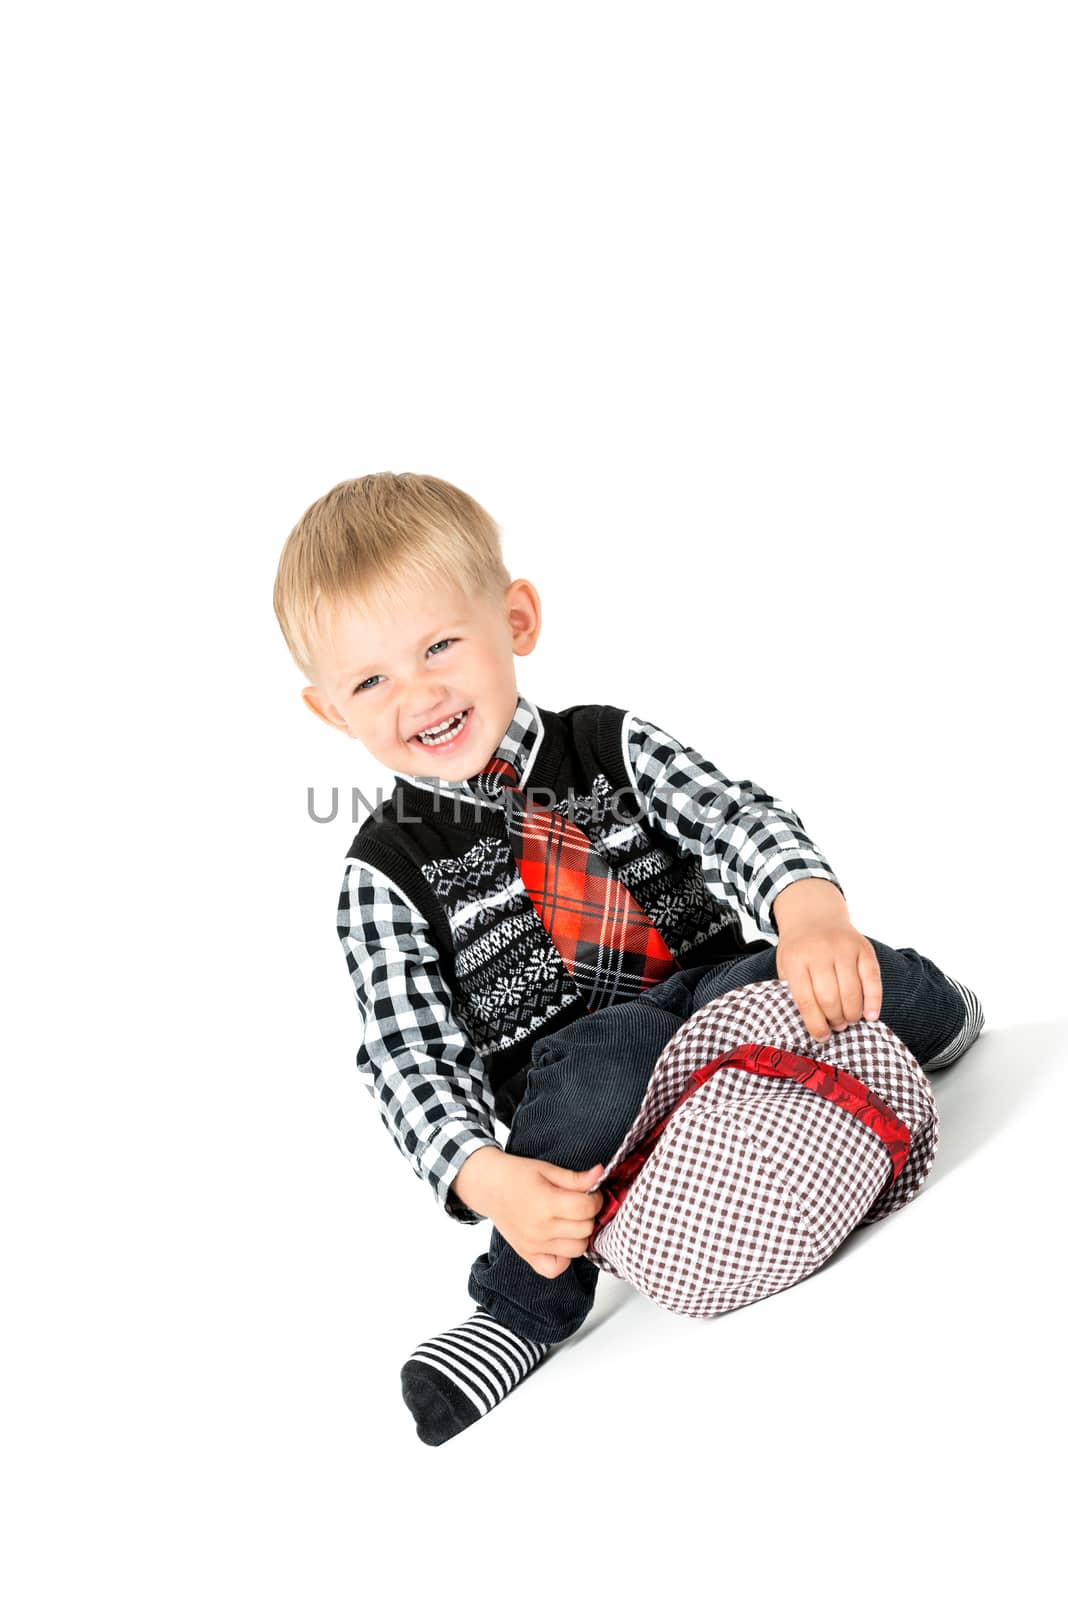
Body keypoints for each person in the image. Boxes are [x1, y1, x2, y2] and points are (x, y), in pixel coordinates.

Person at [272, 471, 985, 1446]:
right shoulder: (385, 874)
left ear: (515, 618)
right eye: (372, 680)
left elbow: (730, 817)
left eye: (440, 643)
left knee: (820, 974)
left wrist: (809, 906)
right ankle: (524, 1306)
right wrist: (487, 1177)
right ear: (329, 712)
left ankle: (931, 1008)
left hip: (720, 997)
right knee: (581, 1106)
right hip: (587, 1083)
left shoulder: (605, 743)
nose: (421, 692)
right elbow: (407, 1057)